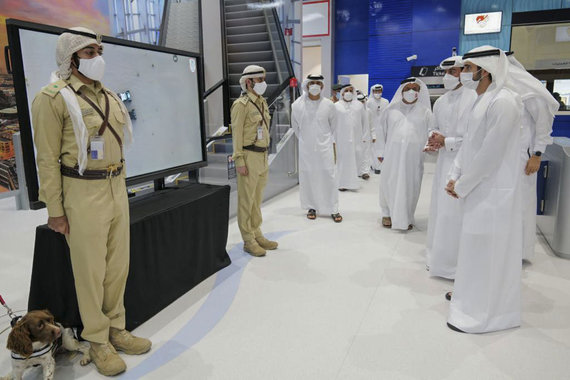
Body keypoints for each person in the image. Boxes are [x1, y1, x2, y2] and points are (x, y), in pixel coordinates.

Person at [31, 27, 151, 376]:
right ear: (71, 58)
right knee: (91, 272)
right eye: (89, 52)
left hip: (116, 187)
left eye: (99, 50)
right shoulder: (52, 98)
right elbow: (47, 160)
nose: (98, 58)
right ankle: (97, 340)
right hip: (82, 193)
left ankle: (116, 328)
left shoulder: (109, 95)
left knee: (117, 267)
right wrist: (55, 210)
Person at [445, 46, 523, 333]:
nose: (462, 73)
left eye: (466, 68)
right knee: (474, 249)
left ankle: (487, 316)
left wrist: (462, 184)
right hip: (476, 188)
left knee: (489, 252)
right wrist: (455, 175)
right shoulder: (483, 100)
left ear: (485, 70)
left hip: (493, 192)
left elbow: (490, 154)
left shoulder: (504, 102)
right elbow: (469, 144)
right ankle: (470, 300)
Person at [424, 56, 477, 279]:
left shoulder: (473, 98)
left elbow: (474, 139)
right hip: (443, 163)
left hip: (463, 165)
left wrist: (447, 142)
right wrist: (433, 139)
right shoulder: (442, 101)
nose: (449, 76)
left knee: (455, 214)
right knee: (439, 211)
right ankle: (436, 257)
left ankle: (455, 266)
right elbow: (433, 127)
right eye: (446, 73)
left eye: (454, 72)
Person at [505, 52, 559, 261]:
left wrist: (537, 154)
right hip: (504, 158)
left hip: (523, 157)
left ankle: (519, 252)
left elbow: (543, 125)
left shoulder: (528, 89)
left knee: (521, 203)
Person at [231, 65, 279, 257]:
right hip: (248, 156)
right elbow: (237, 134)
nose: (262, 83)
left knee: (257, 199)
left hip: (262, 155)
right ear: (249, 82)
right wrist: (239, 160)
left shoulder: (261, 102)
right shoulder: (241, 105)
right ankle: (248, 240)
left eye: (263, 79)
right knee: (246, 200)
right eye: (259, 80)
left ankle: (257, 232)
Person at [378, 77, 433, 230]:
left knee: (412, 185)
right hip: (392, 155)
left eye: (415, 89)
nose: (411, 91)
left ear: (419, 92)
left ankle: (407, 216)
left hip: (414, 157)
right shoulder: (390, 110)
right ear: (401, 91)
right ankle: (387, 213)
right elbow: (381, 132)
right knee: (389, 182)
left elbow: (431, 132)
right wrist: (380, 152)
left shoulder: (426, 112)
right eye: (408, 88)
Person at [291, 74, 342, 222]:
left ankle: (333, 208)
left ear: (322, 86)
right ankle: (311, 206)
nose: (314, 86)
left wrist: (323, 140)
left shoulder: (329, 105)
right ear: (306, 85)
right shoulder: (297, 105)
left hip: (325, 147)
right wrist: (306, 141)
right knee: (308, 176)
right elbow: (296, 127)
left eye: (317, 83)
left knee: (329, 175)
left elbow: (334, 126)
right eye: (311, 83)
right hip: (306, 149)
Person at [334, 84, 367, 191]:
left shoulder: (359, 105)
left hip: (357, 137)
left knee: (356, 158)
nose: (348, 92)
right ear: (342, 92)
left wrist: (365, 136)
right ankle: (342, 183)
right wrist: (332, 138)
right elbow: (332, 123)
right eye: (346, 90)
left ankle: (352, 183)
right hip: (341, 138)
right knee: (343, 160)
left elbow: (364, 121)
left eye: (350, 90)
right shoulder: (336, 106)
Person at [367, 84, 389, 175]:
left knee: (382, 147)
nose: (378, 93)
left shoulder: (385, 101)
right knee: (373, 147)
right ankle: (374, 165)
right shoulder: (369, 102)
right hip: (372, 128)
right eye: (376, 91)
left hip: (383, 128)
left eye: (379, 91)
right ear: (372, 92)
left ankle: (381, 165)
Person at [356, 92, 372, 180]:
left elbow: (371, 125)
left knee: (366, 154)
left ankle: (365, 172)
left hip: (366, 136)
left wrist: (373, 136)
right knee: (357, 154)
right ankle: (357, 171)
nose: (361, 104)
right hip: (356, 137)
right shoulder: (353, 111)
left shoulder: (369, 111)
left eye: (362, 102)